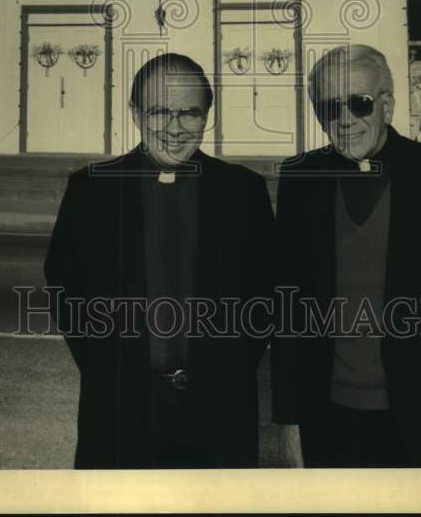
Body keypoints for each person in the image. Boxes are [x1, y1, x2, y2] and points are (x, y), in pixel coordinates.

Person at [44, 52, 275, 468]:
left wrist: (228, 373)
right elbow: (65, 290)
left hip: (218, 419)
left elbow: (267, 296)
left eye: (189, 112)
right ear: (135, 113)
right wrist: (109, 371)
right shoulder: (90, 193)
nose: (173, 127)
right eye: (158, 111)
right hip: (119, 416)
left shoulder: (244, 193)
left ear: (207, 115)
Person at [272, 44, 421, 468]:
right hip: (327, 416)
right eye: (330, 107)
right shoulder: (301, 178)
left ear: (387, 104)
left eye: (359, 103)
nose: (345, 119)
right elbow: (286, 310)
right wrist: (288, 421)